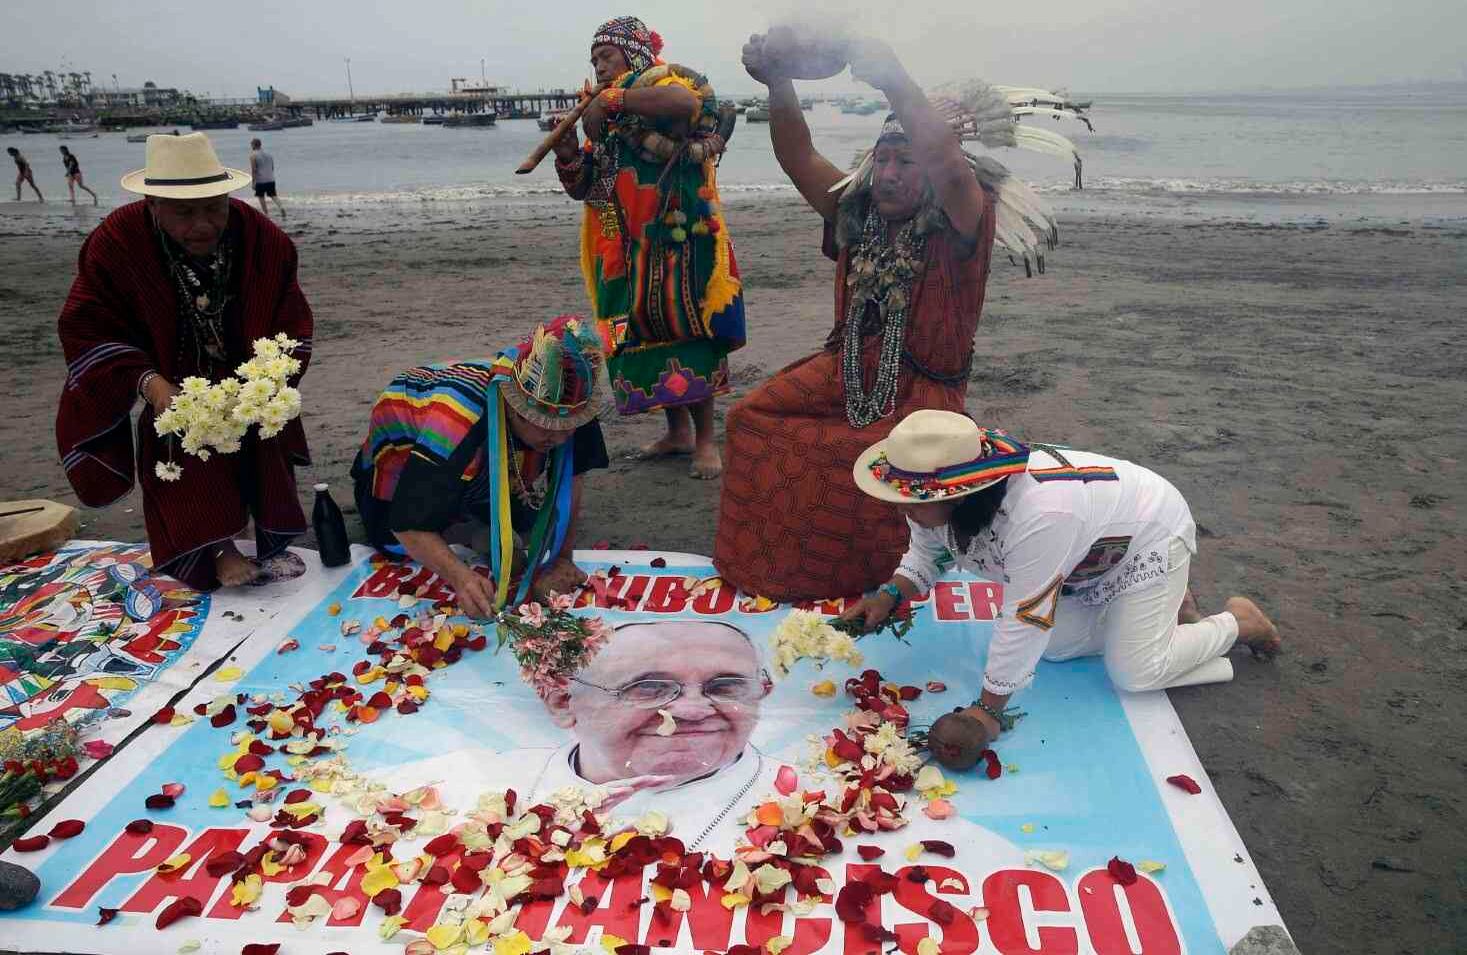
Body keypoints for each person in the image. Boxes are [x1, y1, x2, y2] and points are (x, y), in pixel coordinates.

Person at [713, 34, 997, 601]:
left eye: (906, 162)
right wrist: (777, 82)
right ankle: (774, 568)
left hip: (926, 394)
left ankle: (883, 577)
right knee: (749, 420)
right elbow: (798, 157)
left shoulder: (963, 220)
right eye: (882, 159)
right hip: (842, 370)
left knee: (861, 457)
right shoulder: (856, 211)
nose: (889, 173)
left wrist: (892, 75)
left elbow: (949, 165)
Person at [841, 409, 1283, 756]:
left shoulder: (1041, 514)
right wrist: (891, 593)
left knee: (1135, 671)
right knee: (1052, 649)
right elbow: (928, 551)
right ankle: (1164, 605)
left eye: (911, 500)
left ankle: (1238, 622)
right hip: (1085, 560)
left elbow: (1026, 616)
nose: (905, 510)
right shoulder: (939, 499)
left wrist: (985, 714)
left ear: (958, 494)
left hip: (1149, 536)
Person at [55, 132, 312, 590]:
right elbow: (87, 326)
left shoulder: (260, 238)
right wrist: (150, 383)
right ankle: (218, 549)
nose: (204, 225)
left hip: (241, 368)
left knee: (261, 441)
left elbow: (289, 315)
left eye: (215, 208)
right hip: (166, 373)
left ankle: (259, 534)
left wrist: (270, 373)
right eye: (185, 213)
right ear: (153, 204)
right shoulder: (116, 241)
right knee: (182, 455)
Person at [552, 15, 746, 479]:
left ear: (634, 55)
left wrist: (612, 97)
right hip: (621, 245)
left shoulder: (663, 81)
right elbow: (589, 187)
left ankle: (704, 440)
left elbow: (682, 102)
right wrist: (565, 155)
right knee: (635, 331)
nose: (599, 66)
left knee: (685, 327)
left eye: (607, 56)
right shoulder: (608, 121)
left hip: (677, 238)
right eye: (594, 59)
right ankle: (676, 432)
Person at [352, 315, 610, 616]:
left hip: (476, 456)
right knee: (394, 537)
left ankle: (475, 521)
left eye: (567, 427)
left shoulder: (572, 400)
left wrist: (563, 558)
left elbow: (572, 477)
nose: (558, 437)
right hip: (404, 460)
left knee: (526, 523)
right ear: (512, 406)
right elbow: (406, 524)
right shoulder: (457, 418)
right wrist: (460, 578)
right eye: (542, 425)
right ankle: (467, 528)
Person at [248, 139, 284, 218]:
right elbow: (272, 168)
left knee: (261, 197)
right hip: (271, 179)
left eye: (251, 145)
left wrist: (253, 182)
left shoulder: (253, 155)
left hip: (260, 180)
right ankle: (281, 207)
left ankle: (266, 214)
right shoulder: (269, 155)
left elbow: (254, 170)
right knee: (273, 195)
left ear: (254, 145)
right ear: (260, 145)